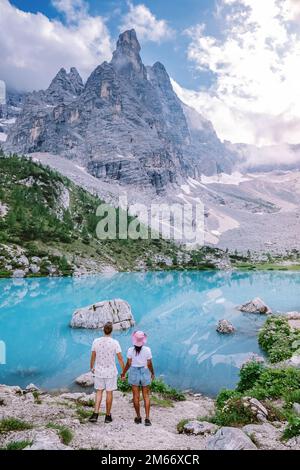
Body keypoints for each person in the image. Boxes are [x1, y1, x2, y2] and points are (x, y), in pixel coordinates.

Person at [89, 321, 125, 423]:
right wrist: (123, 371)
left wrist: (92, 367)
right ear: (111, 331)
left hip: (99, 371)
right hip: (111, 372)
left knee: (99, 392)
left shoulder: (96, 341)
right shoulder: (115, 343)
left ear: (103, 330)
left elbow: (93, 356)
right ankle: (107, 416)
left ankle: (95, 414)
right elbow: (120, 359)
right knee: (109, 393)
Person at [121, 331, 155, 426]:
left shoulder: (130, 350)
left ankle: (138, 417)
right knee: (146, 396)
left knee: (136, 396)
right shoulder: (147, 350)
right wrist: (152, 373)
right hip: (145, 371)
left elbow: (128, 363)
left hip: (134, 372)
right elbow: (149, 364)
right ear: (143, 341)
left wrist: (123, 373)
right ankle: (147, 419)